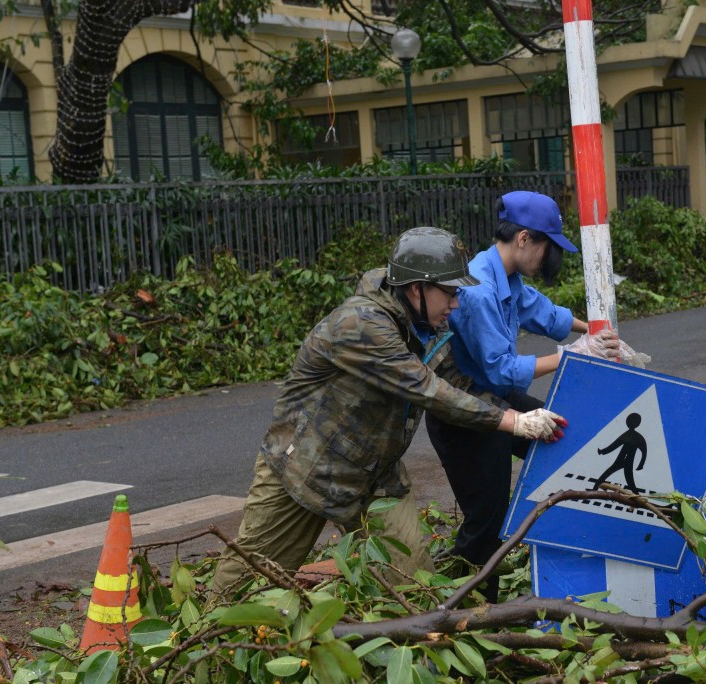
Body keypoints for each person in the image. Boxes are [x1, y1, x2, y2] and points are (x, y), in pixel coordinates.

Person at [209, 226, 567, 596]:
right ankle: (203, 641)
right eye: (450, 293)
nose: (456, 304)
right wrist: (513, 422)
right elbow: (427, 388)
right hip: (305, 470)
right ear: (417, 289)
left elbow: (457, 385)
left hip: (375, 476)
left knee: (416, 591)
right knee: (245, 586)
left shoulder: (423, 326)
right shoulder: (363, 324)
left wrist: (522, 414)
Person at [426, 191, 647, 601]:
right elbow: (501, 369)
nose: (548, 259)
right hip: (467, 415)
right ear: (524, 239)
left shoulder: (507, 277)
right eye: (547, 246)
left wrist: (595, 332)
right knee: (486, 518)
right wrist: (571, 355)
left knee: (566, 436)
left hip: (497, 398)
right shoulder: (476, 289)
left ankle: (578, 544)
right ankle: (470, 608)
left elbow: (543, 311)